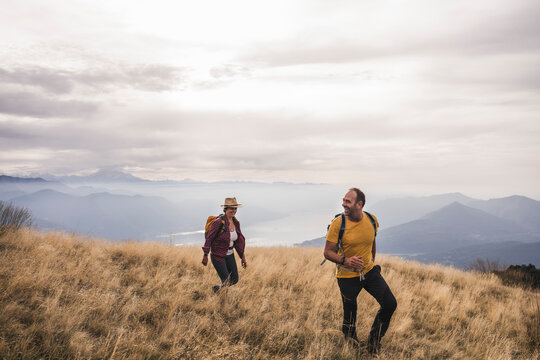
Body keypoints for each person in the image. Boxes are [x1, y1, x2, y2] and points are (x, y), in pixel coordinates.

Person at [323, 188, 397, 354]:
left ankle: (373, 343)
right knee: (350, 315)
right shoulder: (338, 224)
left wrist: (372, 261)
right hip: (346, 275)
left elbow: (371, 240)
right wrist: (345, 260)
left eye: (348, 201)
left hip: (369, 271)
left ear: (359, 204)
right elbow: (327, 252)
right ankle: (351, 343)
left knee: (390, 304)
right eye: (343, 200)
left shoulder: (371, 219)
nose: (343, 204)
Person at [202, 197, 247, 292]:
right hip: (218, 255)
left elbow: (238, 242)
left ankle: (217, 289)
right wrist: (205, 255)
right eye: (231, 208)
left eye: (235, 208)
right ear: (226, 209)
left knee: (234, 279)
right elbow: (209, 238)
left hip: (230, 255)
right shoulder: (218, 222)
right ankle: (223, 302)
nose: (234, 210)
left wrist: (242, 257)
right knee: (226, 280)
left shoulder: (236, 222)